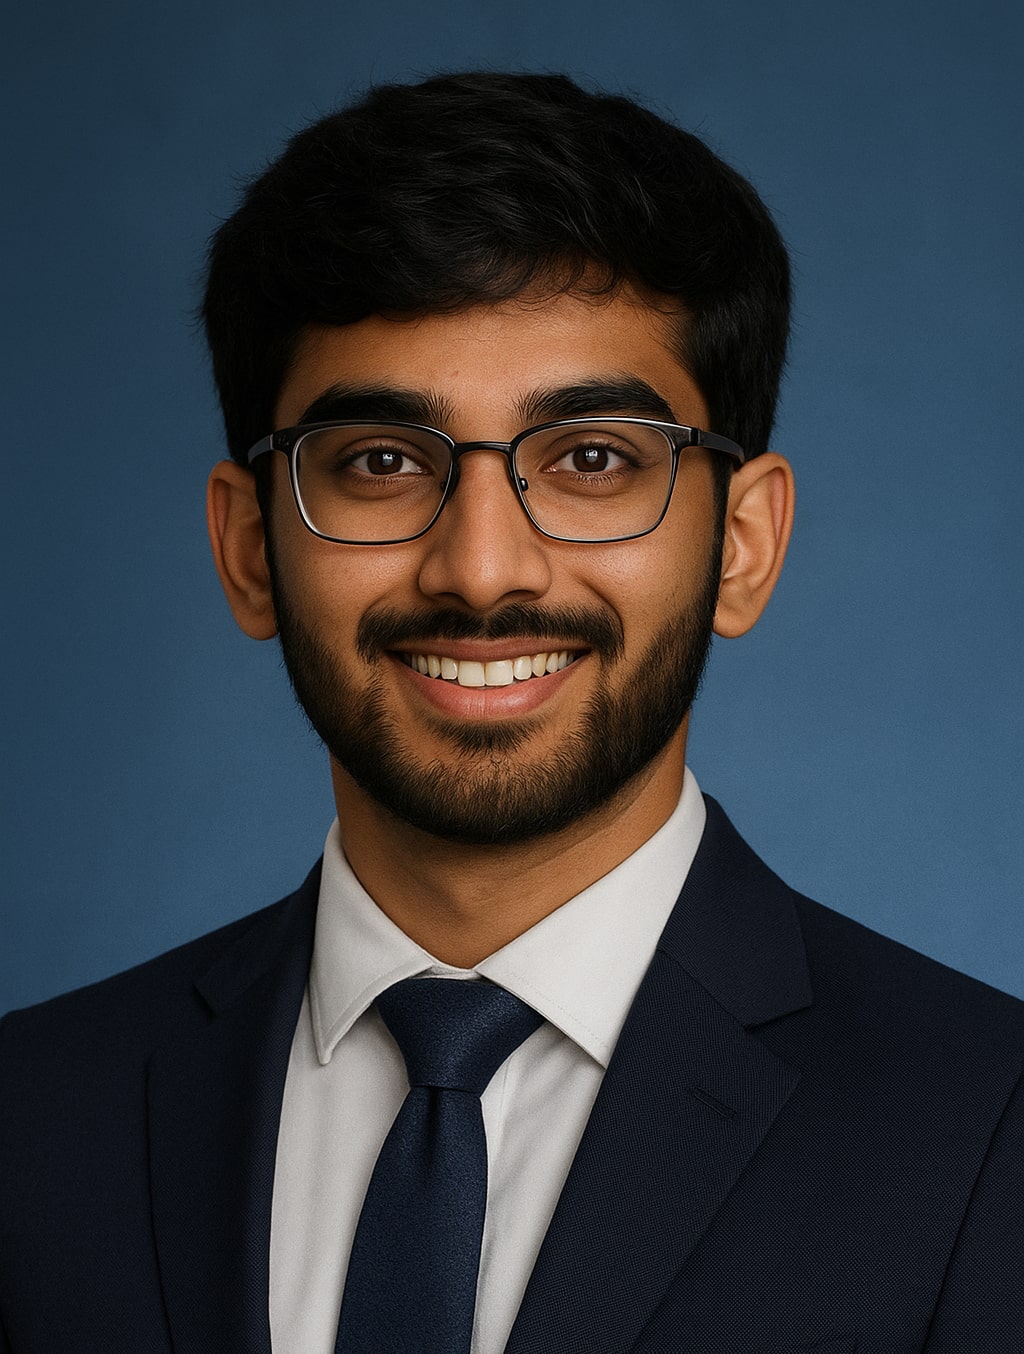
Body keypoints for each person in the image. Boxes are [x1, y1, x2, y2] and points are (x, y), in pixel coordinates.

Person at [1, 70, 1022, 1354]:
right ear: (249, 549)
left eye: (592, 459)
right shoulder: (32, 1118)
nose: (482, 569)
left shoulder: (991, 1128)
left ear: (745, 545)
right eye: (379, 462)